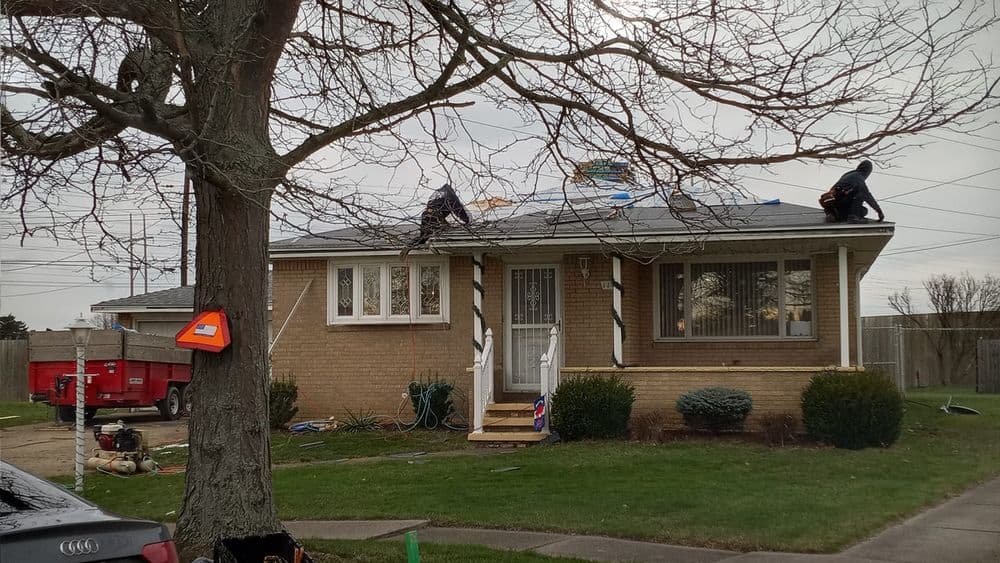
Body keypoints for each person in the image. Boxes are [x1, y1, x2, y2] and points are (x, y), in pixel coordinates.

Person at [400, 184, 470, 260]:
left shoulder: (437, 193)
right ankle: (432, 244)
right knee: (445, 230)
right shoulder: (451, 196)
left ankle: (409, 245)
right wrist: (466, 220)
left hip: (426, 215)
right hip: (436, 215)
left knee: (423, 237)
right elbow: (458, 210)